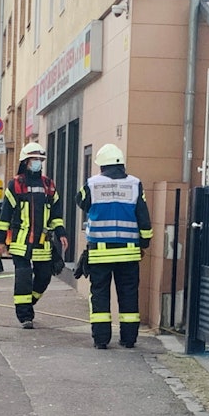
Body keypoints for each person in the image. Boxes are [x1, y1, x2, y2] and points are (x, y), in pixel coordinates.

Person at [75, 143, 153, 349]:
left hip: (100, 253)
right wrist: (144, 243)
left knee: (100, 295)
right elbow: (143, 218)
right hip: (129, 252)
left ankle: (101, 339)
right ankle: (129, 339)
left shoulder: (92, 184)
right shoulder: (135, 184)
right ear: (121, 164)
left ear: (101, 165)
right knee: (129, 294)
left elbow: (80, 202)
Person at [0, 142, 68, 329]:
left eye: (40, 159)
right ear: (25, 161)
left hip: (43, 243)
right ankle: (25, 316)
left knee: (44, 277)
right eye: (34, 159)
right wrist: (0, 240)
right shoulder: (16, 185)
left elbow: (56, 214)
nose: (37, 162)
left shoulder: (48, 185)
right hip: (21, 242)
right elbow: (5, 215)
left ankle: (29, 303)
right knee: (23, 278)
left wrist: (61, 232)